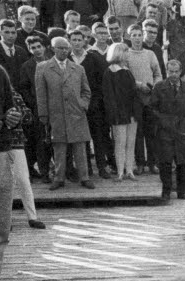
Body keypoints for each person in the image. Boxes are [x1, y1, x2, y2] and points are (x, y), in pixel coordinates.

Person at [36, 36, 94, 190]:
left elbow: (86, 91)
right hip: (56, 114)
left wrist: (83, 105)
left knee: (80, 147)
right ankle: (59, 178)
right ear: (53, 49)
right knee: (59, 147)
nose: (63, 51)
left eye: (66, 48)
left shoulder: (78, 68)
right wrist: (43, 114)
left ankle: (85, 178)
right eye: (60, 48)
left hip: (76, 114)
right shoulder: (43, 68)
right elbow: (41, 93)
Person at [150, 59, 185, 201]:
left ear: (181, 72)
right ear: (166, 71)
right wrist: (163, 120)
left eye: (176, 72)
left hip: (183, 131)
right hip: (165, 130)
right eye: (171, 72)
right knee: (165, 162)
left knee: (182, 162)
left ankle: (181, 192)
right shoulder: (159, 87)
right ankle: (166, 191)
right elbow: (152, 109)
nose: (173, 75)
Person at [69, 29, 111, 179]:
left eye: (79, 40)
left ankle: (102, 167)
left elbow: (103, 81)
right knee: (82, 139)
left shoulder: (93, 58)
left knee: (98, 137)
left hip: (94, 105)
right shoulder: (67, 59)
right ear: (70, 42)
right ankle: (86, 169)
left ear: (84, 41)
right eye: (74, 40)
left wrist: (96, 101)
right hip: (75, 107)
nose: (77, 43)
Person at [0, 64, 23, 281]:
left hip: (1, 154)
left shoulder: (0, 72)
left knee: (1, 227)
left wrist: (12, 116)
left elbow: (12, 109)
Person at [6, 86, 45, 229]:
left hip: (15, 143)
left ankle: (32, 217)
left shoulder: (13, 94)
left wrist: (16, 114)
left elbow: (28, 116)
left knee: (23, 180)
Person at [124, 22, 160, 175]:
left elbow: (158, 73)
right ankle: (140, 163)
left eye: (139, 35)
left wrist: (154, 85)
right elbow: (125, 76)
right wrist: (139, 85)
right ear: (129, 37)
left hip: (150, 98)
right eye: (134, 35)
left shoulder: (150, 54)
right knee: (137, 133)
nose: (137, 38)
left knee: (151, 132)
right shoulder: (126, 55)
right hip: (135, 98)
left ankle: (152, 164)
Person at [102, 41, 139, 180]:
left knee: (131, 142)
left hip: (131, 113)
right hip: (119, 114)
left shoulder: (127, 70)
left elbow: (133, 92)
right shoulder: (110, 72)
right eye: (125, 52)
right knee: (120, 143)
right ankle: (120, 171)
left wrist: (135, 112)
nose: (127, 54)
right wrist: (114, 114)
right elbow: (109, 96)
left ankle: (129, 170)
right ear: (118, 53)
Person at [17, 36, 50, 181]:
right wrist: (34, 104)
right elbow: (24, 88)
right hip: (37, 108)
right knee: (41, 141)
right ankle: (44, 173)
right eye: (33, 48)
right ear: (30, 50)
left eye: (39, 46)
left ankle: (62, 171)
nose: (37, 50)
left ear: (44, 47)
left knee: (57, 140)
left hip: (55, 107)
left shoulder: (52, 62)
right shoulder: (27, 66)